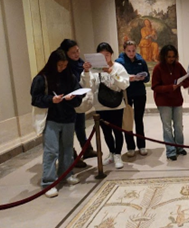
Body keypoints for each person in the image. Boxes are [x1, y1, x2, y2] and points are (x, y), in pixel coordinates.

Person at [30, 49, 82, 198]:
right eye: (59, 65)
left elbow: (79, 92)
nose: (62, 68)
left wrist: (74, 97)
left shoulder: (69, 76)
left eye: (65, 65)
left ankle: (67, 173)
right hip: (51, 118)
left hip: (68, 117)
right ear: (53, 63)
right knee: (51, 150)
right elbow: (35, 99)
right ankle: (48, 182)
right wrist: (51, 100)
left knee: (67, 148)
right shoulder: (42, 78)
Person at [80, 42, 130, 169]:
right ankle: (112, 153)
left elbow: (124, 85)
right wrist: (86, 72)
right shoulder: (94, 70)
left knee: (118, 131)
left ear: (111, 54)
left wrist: (112, 73)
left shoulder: (118, 67)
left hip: (117, 105)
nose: (105, 58)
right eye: (101, 56)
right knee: (106, 132)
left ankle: (118, 154)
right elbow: (87, 86)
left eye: (107, 55)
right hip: (100, 105)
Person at [58, 39, 97, 169]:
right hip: (66, 102)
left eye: (77, 51)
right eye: (72, 52)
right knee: (68, 130)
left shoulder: (80, 63)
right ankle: (73, 157)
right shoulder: (63, 66)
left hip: (79, 99)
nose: (76, 54)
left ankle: (86, 150)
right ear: (65, 53)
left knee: (80, 126)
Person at [152, 44, 189, 161]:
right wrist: (170, 87)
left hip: (177, 100)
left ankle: (179, 147)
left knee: (178, 126)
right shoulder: (158, 68)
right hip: (163, 102)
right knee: (167, 127)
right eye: (169, 56)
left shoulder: (178, 66)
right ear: (164, 56)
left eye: (173, 56)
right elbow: (155, 87)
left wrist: (182, 83)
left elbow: (187, 80)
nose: (171, 59)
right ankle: (170, 150)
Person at [116, 40, 150, 157]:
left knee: (139, 120)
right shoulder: (119, 62)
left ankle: (142, 145)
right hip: (127, 94)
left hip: (140, 93)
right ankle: (130, 146)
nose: (131, 53)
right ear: (124, 50)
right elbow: (117, 78)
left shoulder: (141, 60)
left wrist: (142, 78)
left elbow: (147, 78)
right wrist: (129, 78)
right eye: (129, 51)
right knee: (128, 120)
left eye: (133, 51)